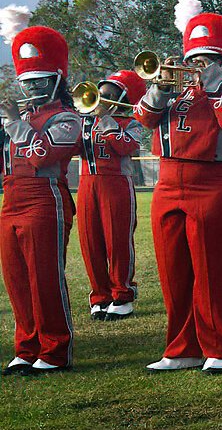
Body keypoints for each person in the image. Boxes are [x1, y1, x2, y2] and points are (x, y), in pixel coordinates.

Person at [136, 4, 222, 375]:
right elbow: (143, 117)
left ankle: (219, 346)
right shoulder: (174, 90)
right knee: (174, 274)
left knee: (215, 270)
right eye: (195, 57)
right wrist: (158, 88)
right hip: (168, 181)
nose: (199, 63)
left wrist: (216, 84)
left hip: (216, 181)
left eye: (208, 57)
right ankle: (182, 348)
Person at [1, 23, 84, 376]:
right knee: (16, 279)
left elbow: (42, 155)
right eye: (27, 82)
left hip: (45, 198)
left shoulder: (66, 117)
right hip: (11, 200)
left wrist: (14, 125)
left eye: (39, 80)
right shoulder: (19, 119)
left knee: (45, 277)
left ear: (56, 79)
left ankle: (54, 350)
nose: (31, 87)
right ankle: (27, 346)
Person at [78, 70, 146, 321]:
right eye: (100, 92)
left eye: (108, 94)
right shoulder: (85, 121)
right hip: (87, 184)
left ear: (123, 98)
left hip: (116, 184)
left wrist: (106, 121)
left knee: (117, 242)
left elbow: (125, 146)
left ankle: (123, 293)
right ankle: (100, 296)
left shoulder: (132, 123)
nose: (101, 97)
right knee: (89, 242)